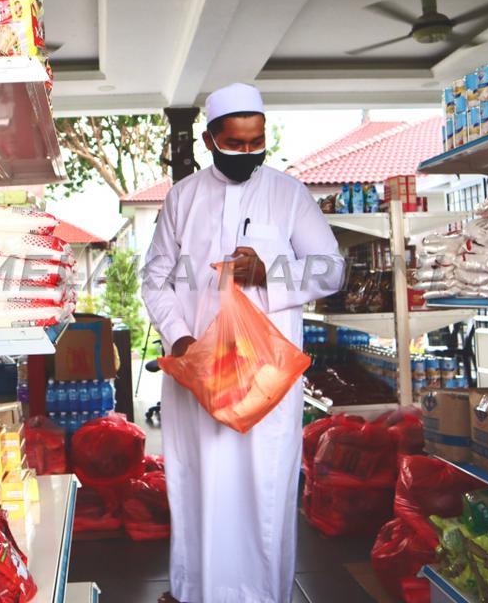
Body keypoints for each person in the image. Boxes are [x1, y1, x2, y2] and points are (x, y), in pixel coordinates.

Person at [142, 82, 344, 603]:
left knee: (263, 488)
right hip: (201, 377)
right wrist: (179, 337)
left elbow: (332, 271)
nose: (248, 154)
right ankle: (197, 592)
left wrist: (270, 271)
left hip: (266, 379)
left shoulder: (287, 193)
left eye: (257, 143)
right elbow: (155, 279)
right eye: (236, 144)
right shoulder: (183, 198)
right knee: (200, 485)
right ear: (211, 141)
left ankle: (260, 595)